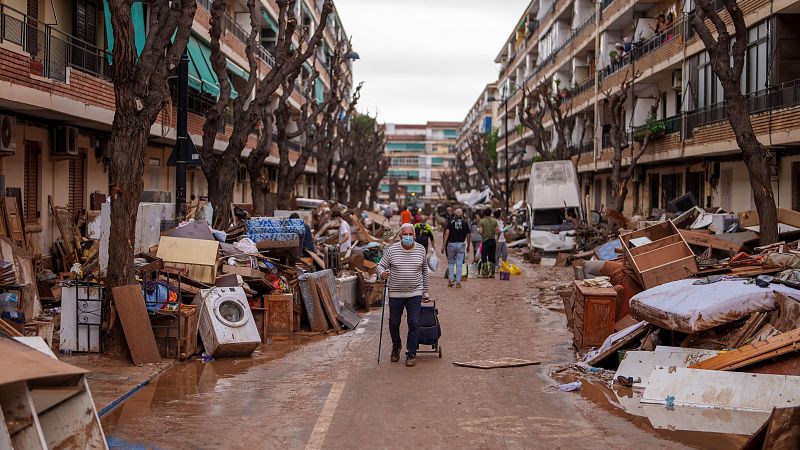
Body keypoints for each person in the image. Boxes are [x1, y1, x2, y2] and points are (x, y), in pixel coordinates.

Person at [377, 223, 430, 367]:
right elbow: (380, 265)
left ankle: (411, 353)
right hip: (395, 293)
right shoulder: (391, 250)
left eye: (410, 234)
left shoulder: (421, 249)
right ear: (400, 236)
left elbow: (425, 271)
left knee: (414, 322)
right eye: (404, 234)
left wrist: (425, 291)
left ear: (414, 235)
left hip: (415, 292)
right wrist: (382, 273)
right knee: (394, 323)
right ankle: (396, 345)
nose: (408, 237)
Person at [441, 208, 470, 288]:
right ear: (461, 215)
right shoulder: (465, 223)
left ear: (455, 214)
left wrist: (443, 245)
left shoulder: (450, 222)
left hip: (451, 244)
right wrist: (468, 246)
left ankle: (451, 280)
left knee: (451, 262)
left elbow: (446, 234)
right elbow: (468, 235)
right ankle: (458, 282)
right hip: (461, 245)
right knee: (459, 263)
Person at [479, 207, 500, 277]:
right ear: (490, 213)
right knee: (492, 256)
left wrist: (481, 233)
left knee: (484, 256)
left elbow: (481, 231)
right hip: (492, 240)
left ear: (484, 213)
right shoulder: (494, 221)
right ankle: (492, 273)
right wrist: (497, 238)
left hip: (485, 241)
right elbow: (498, 231)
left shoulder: (482, 221)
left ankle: (485, 273)